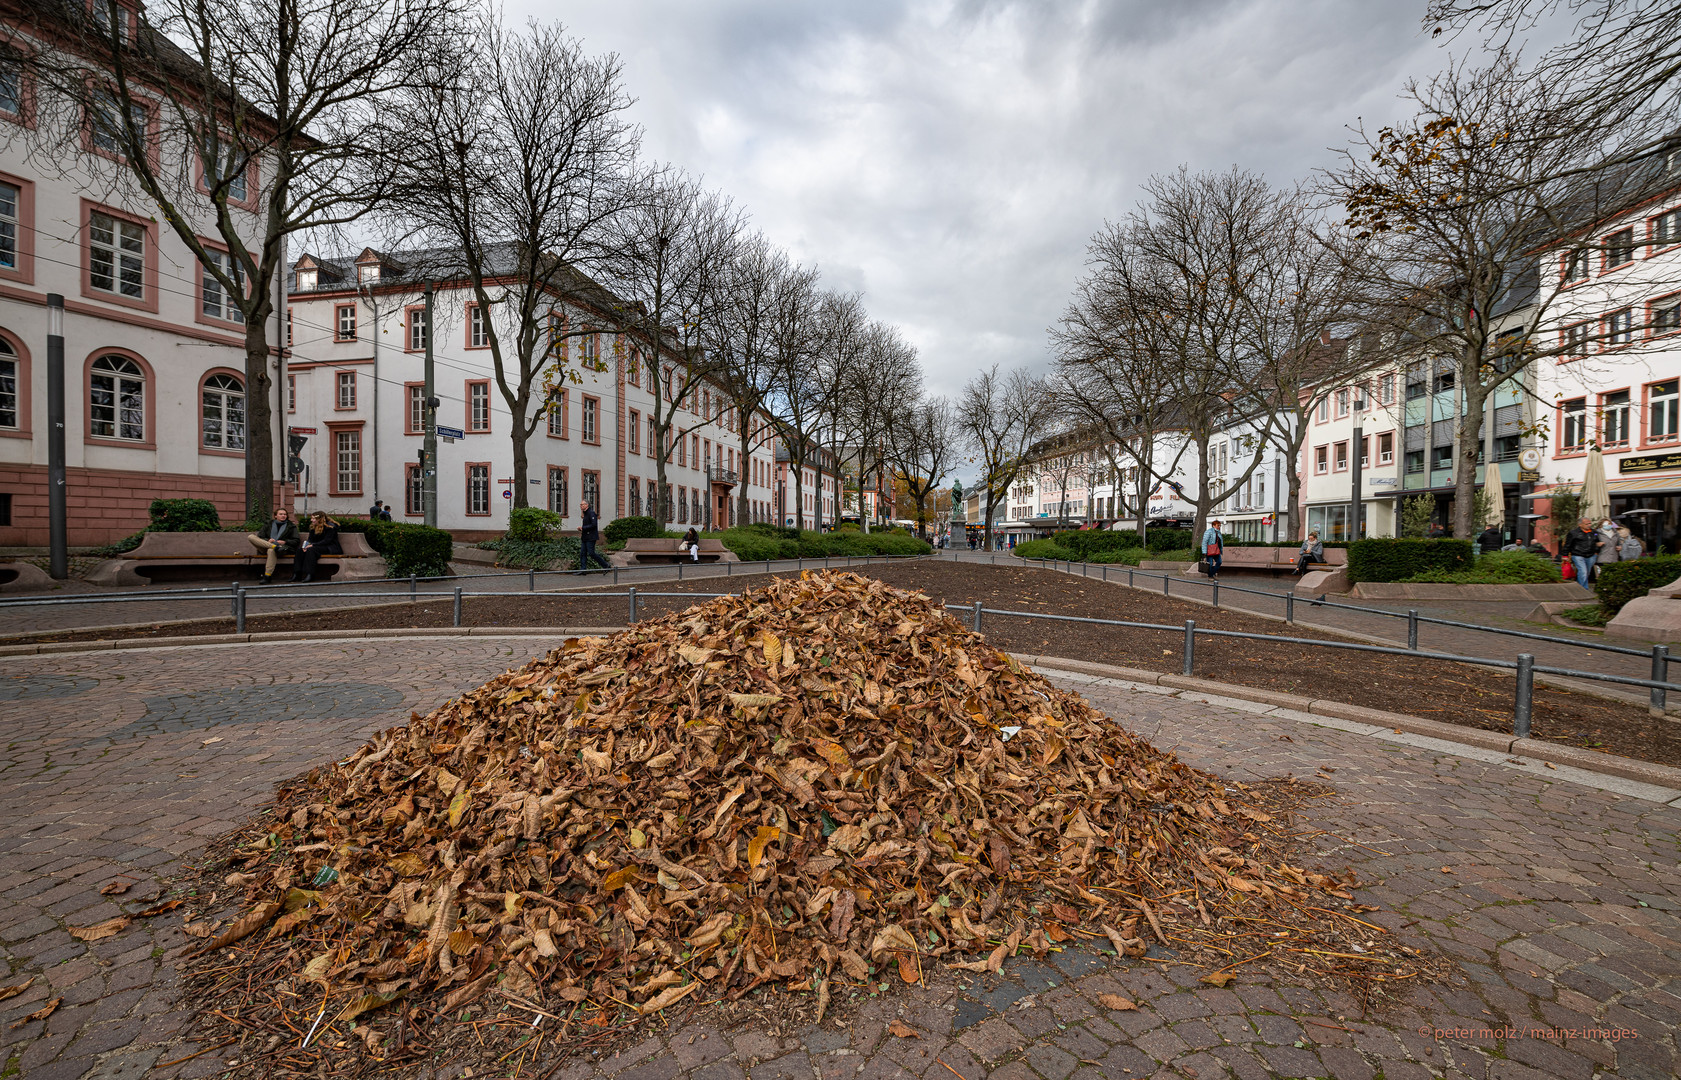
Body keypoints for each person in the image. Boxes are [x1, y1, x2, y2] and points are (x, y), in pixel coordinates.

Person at [246, 508, 298, 584]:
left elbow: (296, 540)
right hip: (265, 546)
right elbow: (260, 537)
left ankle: (267, 576)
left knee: (271, 550)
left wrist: (285, 542)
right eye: (281, 514)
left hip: (282, 549)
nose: (283, 516)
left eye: (285, 514)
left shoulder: (291, 526)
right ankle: (273, 546)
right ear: (275, 516)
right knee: (251, 536)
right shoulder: (268, 524)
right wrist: (268, 540)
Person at [292, 512, 342, 582]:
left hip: (329, 547)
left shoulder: (330, 527)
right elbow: (310, 539)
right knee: (300, 550)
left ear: (319, 519)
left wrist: (313, 545)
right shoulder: (313, 526)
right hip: (317, 547)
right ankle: (297, 573)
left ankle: (310, 574)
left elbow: (327, 541)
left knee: (311, 550)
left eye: (313, 518)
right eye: (311, 518)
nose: (311, 520)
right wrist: (305, 546)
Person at [1561, 516, 1604, 592]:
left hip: (1591, 555)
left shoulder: (1594, 533)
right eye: (1587, 524)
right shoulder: (1573, 533)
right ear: (1580, 524)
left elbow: (1596, 541)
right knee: (1583, 571)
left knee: (1587, 572)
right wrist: (1565, 555)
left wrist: (1597, 550)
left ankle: (1583, 587)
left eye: (1590, 523)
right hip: (1578, 554)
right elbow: (1568, 544)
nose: (1589, 525)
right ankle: (1582, 589)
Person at [577, 500, 610, 571]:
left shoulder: (591, 513)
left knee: (591, 553)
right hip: (585, 537)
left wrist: (583, 528)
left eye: (582, 504)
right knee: (583, 553)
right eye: (580, 505)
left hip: (591, 537)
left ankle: (605, 565)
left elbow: (594, 524)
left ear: (587, 505)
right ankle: (583, 570)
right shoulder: (585, 513)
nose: (581, 506)